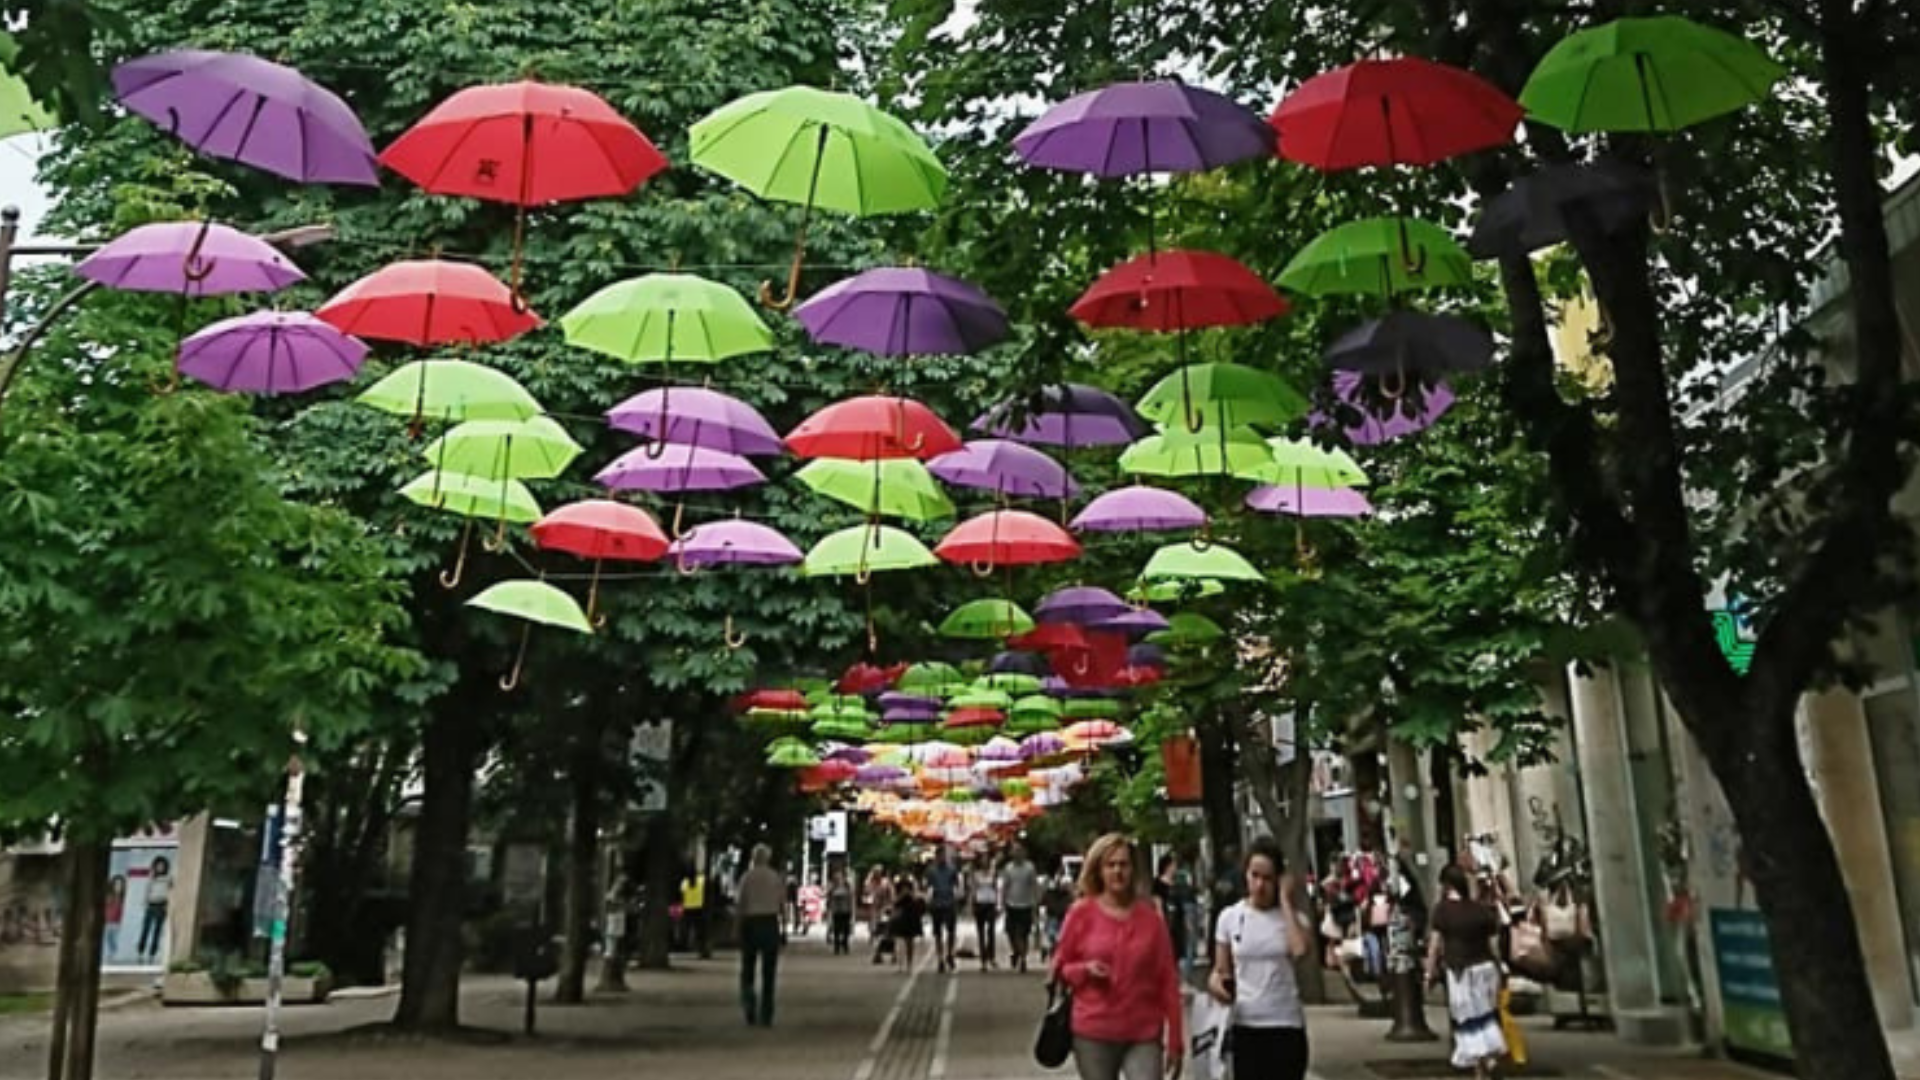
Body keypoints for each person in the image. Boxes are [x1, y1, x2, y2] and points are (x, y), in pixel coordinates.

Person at [1053, 833, 1184, 1080]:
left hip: (1143, 1032)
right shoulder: (1081, 914)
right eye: (1110, 865)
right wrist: (1085, 970)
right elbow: (1060, 967)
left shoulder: (1151, 921)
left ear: (1133, 870)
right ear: (1099, 870)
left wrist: (1175, 1038)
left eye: (1123, 864)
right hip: (1094, 1030)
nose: (1117, 871)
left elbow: (1168, 980)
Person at [1209, 839, 1312, 1080]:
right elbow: (1220, 969)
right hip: (1246, 1023)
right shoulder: (1230, 917)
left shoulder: (1293, 920)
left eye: (1267, 878)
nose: (1259, 885)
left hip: (1285, 1023)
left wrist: (1285, 900)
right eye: (1254, 876)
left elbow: (1299, 950)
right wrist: (1218, 986)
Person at [1426, 864, 1507, 1079]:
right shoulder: (1479, 909)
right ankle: (1486, 1065)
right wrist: (1501, 969)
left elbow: (1435, 945)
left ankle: (1483, 1065)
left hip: (1461, 970)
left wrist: (1428, 972)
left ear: (1445, 885)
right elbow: (1494, 944)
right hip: (1486, 968)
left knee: (1468, 1019)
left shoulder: (1441, 910)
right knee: (1486, 1015)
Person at [736, 844, 785, 1027]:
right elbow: (782, 903)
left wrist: (737, 926)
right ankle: (767, 1012)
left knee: (748, 967)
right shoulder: (775, 878)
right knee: (769, 971)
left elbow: (741, 903)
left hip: (751, 922)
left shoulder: (747, 877)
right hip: (769, 922)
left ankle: (749, 1003)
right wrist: (782, 929)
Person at [999, 843, 1040, 972]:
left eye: (1019, 851)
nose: (1017, 854)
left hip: (1026, 904)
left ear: (1024, 853)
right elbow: (1005, 886)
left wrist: (1036, 902)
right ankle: (1016, 952)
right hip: (1012, 904)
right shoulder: (1008, 868)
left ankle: (1023, 958)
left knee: (1024, 933)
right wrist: (1002, 902)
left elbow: (1034, 885)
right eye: (1015, 851)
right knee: (1011, 932)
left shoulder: (1030, 868)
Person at [926, 847, 961, 973]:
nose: (941, 858)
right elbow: (929, 886)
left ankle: (949, 954)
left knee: (951, 931)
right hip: (937, 904)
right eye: (939, 856)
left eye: (943, 855)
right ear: (936, 856)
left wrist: (956, 897)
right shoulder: (931, 871)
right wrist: (929, 899)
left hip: (949, 903)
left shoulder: (952, 870)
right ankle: (940, 957)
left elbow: (956, 885)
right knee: (938, 933)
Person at [1152, 854, 1187, 972]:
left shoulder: (1176, 882)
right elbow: (1158, 903)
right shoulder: (1158, 883)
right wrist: (1161, 921)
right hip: (1168, 918)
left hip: (1178, 919)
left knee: (1178, 950)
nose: (1175, 867)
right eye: (1173, 865)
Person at [966, 856, 1000, 969]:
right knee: (981, 933)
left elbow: (996, 888)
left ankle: (991, 956)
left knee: (991, 931)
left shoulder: (993, 873)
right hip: (980, 904)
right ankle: (983, 960)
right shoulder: (976, 874)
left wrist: (998, 904)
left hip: (990, 903)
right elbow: (972, 890)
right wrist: (971, 905)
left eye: (986, 860)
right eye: (982, 860)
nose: (984, 861)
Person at [138, 856, 171, 964]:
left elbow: (171, 892)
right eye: (158, 865)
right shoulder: (151, 878)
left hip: (161, 905)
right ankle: (140, 951)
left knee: (157, 930)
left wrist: (169, 905)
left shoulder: (168, 878)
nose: (160, 867)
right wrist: (145, 901)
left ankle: (152, 954)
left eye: (162, 866)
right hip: (151, 905)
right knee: (146, 929)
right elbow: (147, 890)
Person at [892, 877, 926, 972]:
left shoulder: (913, 895)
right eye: (903, 888)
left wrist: (911, 895)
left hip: (910, 919)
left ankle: (909, 964)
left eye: (907, 887)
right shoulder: (898, 895)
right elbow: (894, 903)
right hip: (900, 920)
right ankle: (900, 964)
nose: (905, 889)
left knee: (909, 942)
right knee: (899, 942)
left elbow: (920, 903)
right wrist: (902, 896)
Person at [1041, 868, 1074, 961]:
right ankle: (1050, 951)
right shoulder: (1050, 884)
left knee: (1056, 937)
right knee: (1053, 936)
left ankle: (1051, 952)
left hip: (1059, 916)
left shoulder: (1065, 883)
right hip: (1054, 916)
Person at [869, 869, 897, 964]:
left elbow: (892, 897)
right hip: (877, 912)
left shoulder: (886, 884)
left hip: (886, 911)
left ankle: (893, 955)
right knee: (877, 934)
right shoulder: (872, 884)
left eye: (877, 874)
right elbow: (871, 897)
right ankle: (878, 955)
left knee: (888, 934)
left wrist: (890, 907)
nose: (876, 876)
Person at [827, 868, 856, 955]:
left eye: (839, 877)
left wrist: (851, 909)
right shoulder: (832, 887)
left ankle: (845, 944)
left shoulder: (847, 885)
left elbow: (851, 896)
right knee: (837, 929)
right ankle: (837, 947)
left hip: (846, 910)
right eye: (836, 877)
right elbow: (829, 896)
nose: (838, 879)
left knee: (846, 929)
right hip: (836, 911)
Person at [103, 876, 126, 961]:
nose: (118, 886)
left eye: (120, 885)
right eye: (116, 884)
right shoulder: (110, 895)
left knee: (113, 938)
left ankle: (112, 953)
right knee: (108, 937)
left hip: (116, 921)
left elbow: (121, 909)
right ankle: (110, 953)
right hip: (108, 919)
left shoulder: (122, 896)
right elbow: (107, 905)